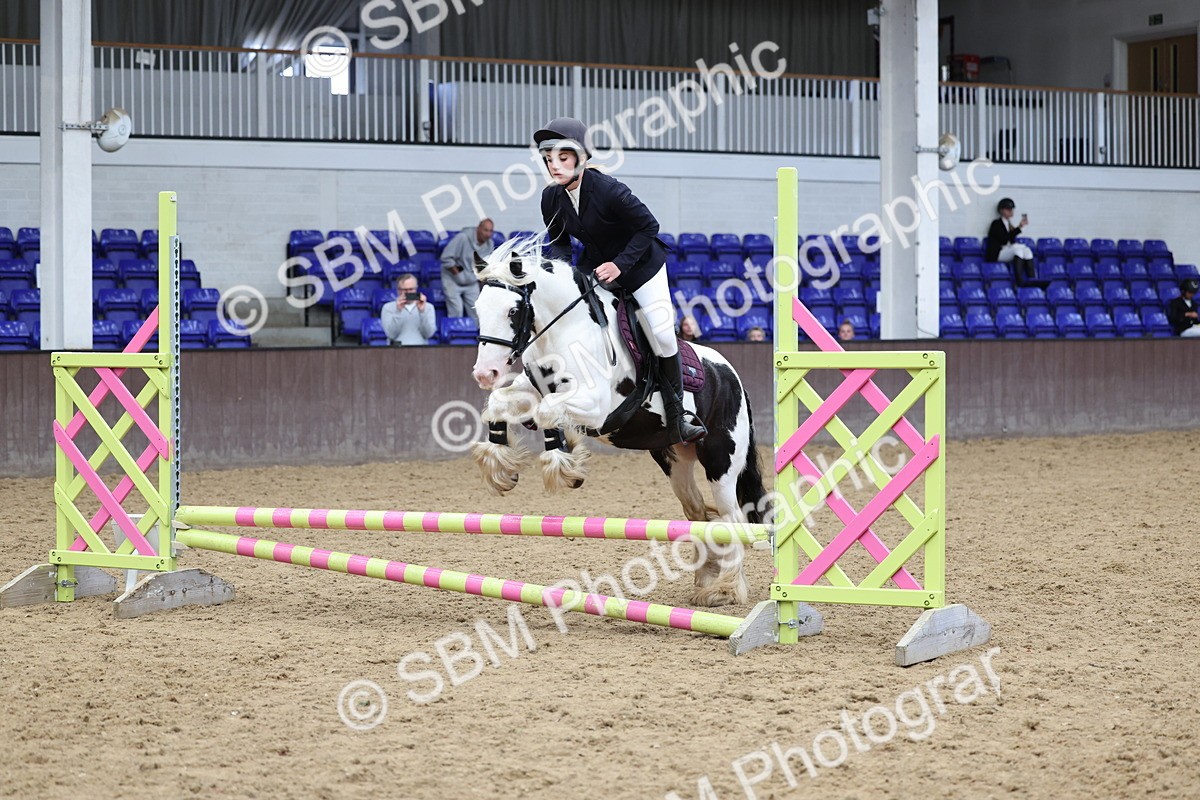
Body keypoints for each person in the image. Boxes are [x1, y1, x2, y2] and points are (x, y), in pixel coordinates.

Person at [535, 117, 705, 444]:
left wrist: (620, 264)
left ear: (580, 158)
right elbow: (559, 242)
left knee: (661, 333)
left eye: (562, 157)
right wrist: (562, 278)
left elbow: (649, 227)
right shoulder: (550, 198)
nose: (553, 165)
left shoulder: (609, 190)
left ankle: (679, 413)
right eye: (548, 159)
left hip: (641, 265)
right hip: (596, 267)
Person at [439, 218, 495, 319]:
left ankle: (474, 334)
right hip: (452, 279)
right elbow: (446, 258)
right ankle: (455, 334)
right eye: (485, 230)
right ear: (478, 229)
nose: (488, 234)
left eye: (491, 231)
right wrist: (459, 274)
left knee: (476, 311)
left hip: (471, 281)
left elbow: (484, 266)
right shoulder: (463, 237)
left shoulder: (490, 244)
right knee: (457, 311)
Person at [986, 198, 1037, 285]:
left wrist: (1018, 228)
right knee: (1018, 250)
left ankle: (1032, 279)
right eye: (1008, 209)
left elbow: (1011, 239)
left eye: (1011, 209)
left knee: (1027, 250)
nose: (1010, 211)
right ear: (1001, 210)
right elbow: (1004, 239)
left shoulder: (1009, 225)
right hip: (998, 252)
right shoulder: (996, 224)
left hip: (1007, 249)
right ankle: (1019, 281)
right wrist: (1019, 227)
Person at [381, 272, 436, 346]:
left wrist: (422, 312)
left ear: (416, 289)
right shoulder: (388, 308)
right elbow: (391, 334)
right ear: (398, 290)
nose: (407, 293)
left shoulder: (428, 307)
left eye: (410, 289)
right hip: (396, 351)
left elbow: (428, 334)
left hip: (421, 351)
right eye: (403, 290)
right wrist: (398, 312)